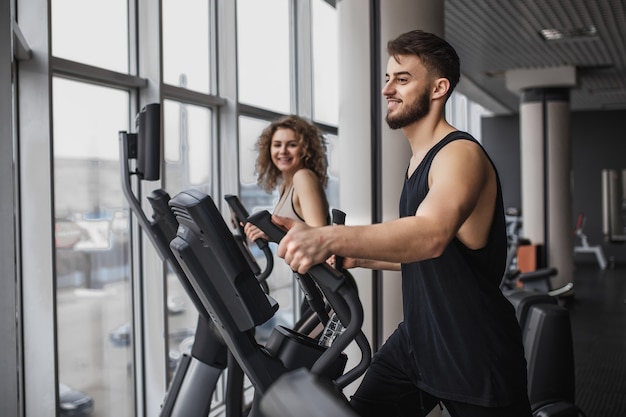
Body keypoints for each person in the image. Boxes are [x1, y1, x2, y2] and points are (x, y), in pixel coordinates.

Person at [272, 30, 533, 417]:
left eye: (403, 79)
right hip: (418, 340)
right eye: (387, 78)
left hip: (472, 349)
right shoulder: (417, 162)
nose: (387, 89)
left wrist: (328, 237)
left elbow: (430, 236)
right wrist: (355, 257)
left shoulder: (459, 154)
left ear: (438, 88)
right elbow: (433, 258)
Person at [243, 114, 330, 243]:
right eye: (277, 145)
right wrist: (269, 233)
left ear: (305, 150)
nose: (283, 151)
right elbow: (290, 234)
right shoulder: (285, 186)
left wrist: (272, 232)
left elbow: (318, 238)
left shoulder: (303, 177)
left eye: (292, 145)